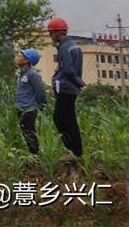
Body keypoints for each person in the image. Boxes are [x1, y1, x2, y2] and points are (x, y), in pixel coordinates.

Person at [48, 17, 84, 162]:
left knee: (60, 118)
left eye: (51, 33)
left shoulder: (63, 47)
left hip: (66, 87)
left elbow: (68, 69)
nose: (51, 37)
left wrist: (78, 82)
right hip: (70, 88)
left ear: (57, 33)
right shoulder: (75, 45)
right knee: (69, 118)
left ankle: (73, 151)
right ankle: (76, 152)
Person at [14, 48, 47, 155]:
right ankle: (33, 155)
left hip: (28, 109)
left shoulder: (32, 74)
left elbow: (40, 91)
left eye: (20, 56)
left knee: (30, 133)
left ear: (27, 60)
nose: (17, 57)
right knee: (26, 133)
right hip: (20, 108)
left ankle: (35, 156)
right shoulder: (21, 74)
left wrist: (42, 105)